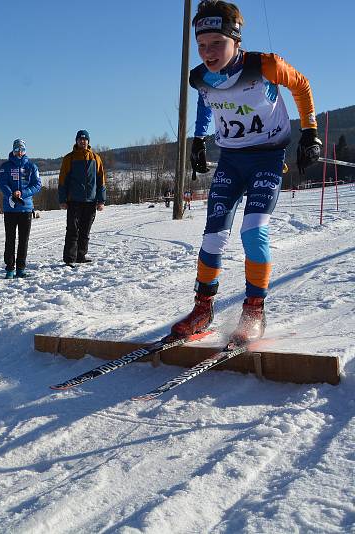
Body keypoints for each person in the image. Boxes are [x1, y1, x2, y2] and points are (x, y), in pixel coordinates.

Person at [171, 0, 321, 344]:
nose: (208, 52)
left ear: (235, 41)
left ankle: (254, 310)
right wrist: (198, 139)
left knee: (253, 231)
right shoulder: (200, 77)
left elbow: (302, 85)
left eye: (216, 44)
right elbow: (205, 102)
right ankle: (203, 308)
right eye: (202, 45)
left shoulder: (265, 66)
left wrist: (310, 131)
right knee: (213, 236)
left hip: (267, 158)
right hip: (231, 161)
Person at [58, 130, 106, 267]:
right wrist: (62, 200)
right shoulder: (69, 158)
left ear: (88, 141)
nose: (82, 142)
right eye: (80, 139)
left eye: (85, 139)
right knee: (72, 230)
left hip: (90, 201)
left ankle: (81, 255)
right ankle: (69, 258)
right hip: (74, 201)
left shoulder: (95, 158)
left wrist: (101, 200)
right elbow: (63, 180)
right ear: (76, 141)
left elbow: (101, 180)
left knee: (85, 230)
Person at [0, 139, 41, 278]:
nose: (19, 152)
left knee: (24, 240)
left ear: (25, 150)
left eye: (22, 149)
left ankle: (21, 268)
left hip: (26, 209)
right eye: (17, 149)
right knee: (10, 239)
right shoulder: (5, 166)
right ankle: (10, 269)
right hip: (10, 208)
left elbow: (37, 185)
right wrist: (11, 193)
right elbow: (2, 183)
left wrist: (23, 193)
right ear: (13, 150)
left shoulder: (32, 167)